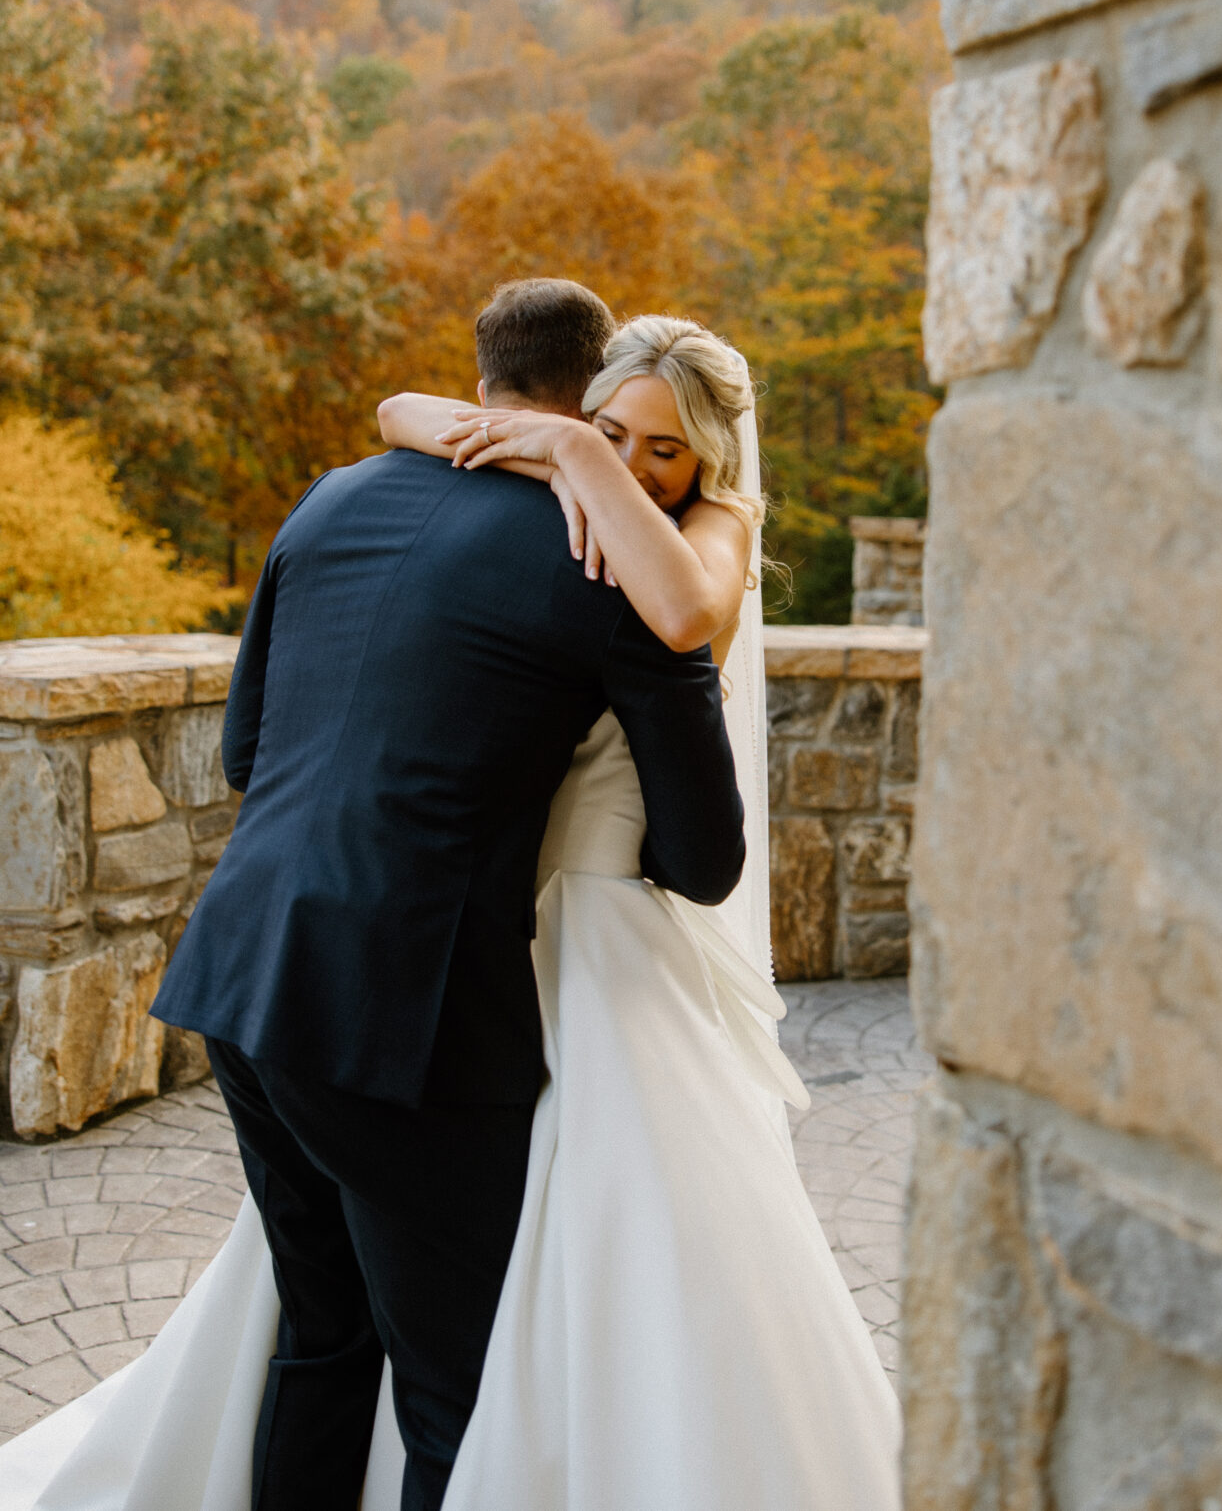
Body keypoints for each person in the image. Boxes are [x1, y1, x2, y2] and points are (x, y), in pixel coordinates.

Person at [0, 295, 900, 1511]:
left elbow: (245, 751)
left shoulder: (333, 497)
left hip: (243, 975)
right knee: (453, 1393)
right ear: (583, 400)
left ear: (487, 389)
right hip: (401, 1024)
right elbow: (702, 860)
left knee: (319, 1335)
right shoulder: (609, 561)